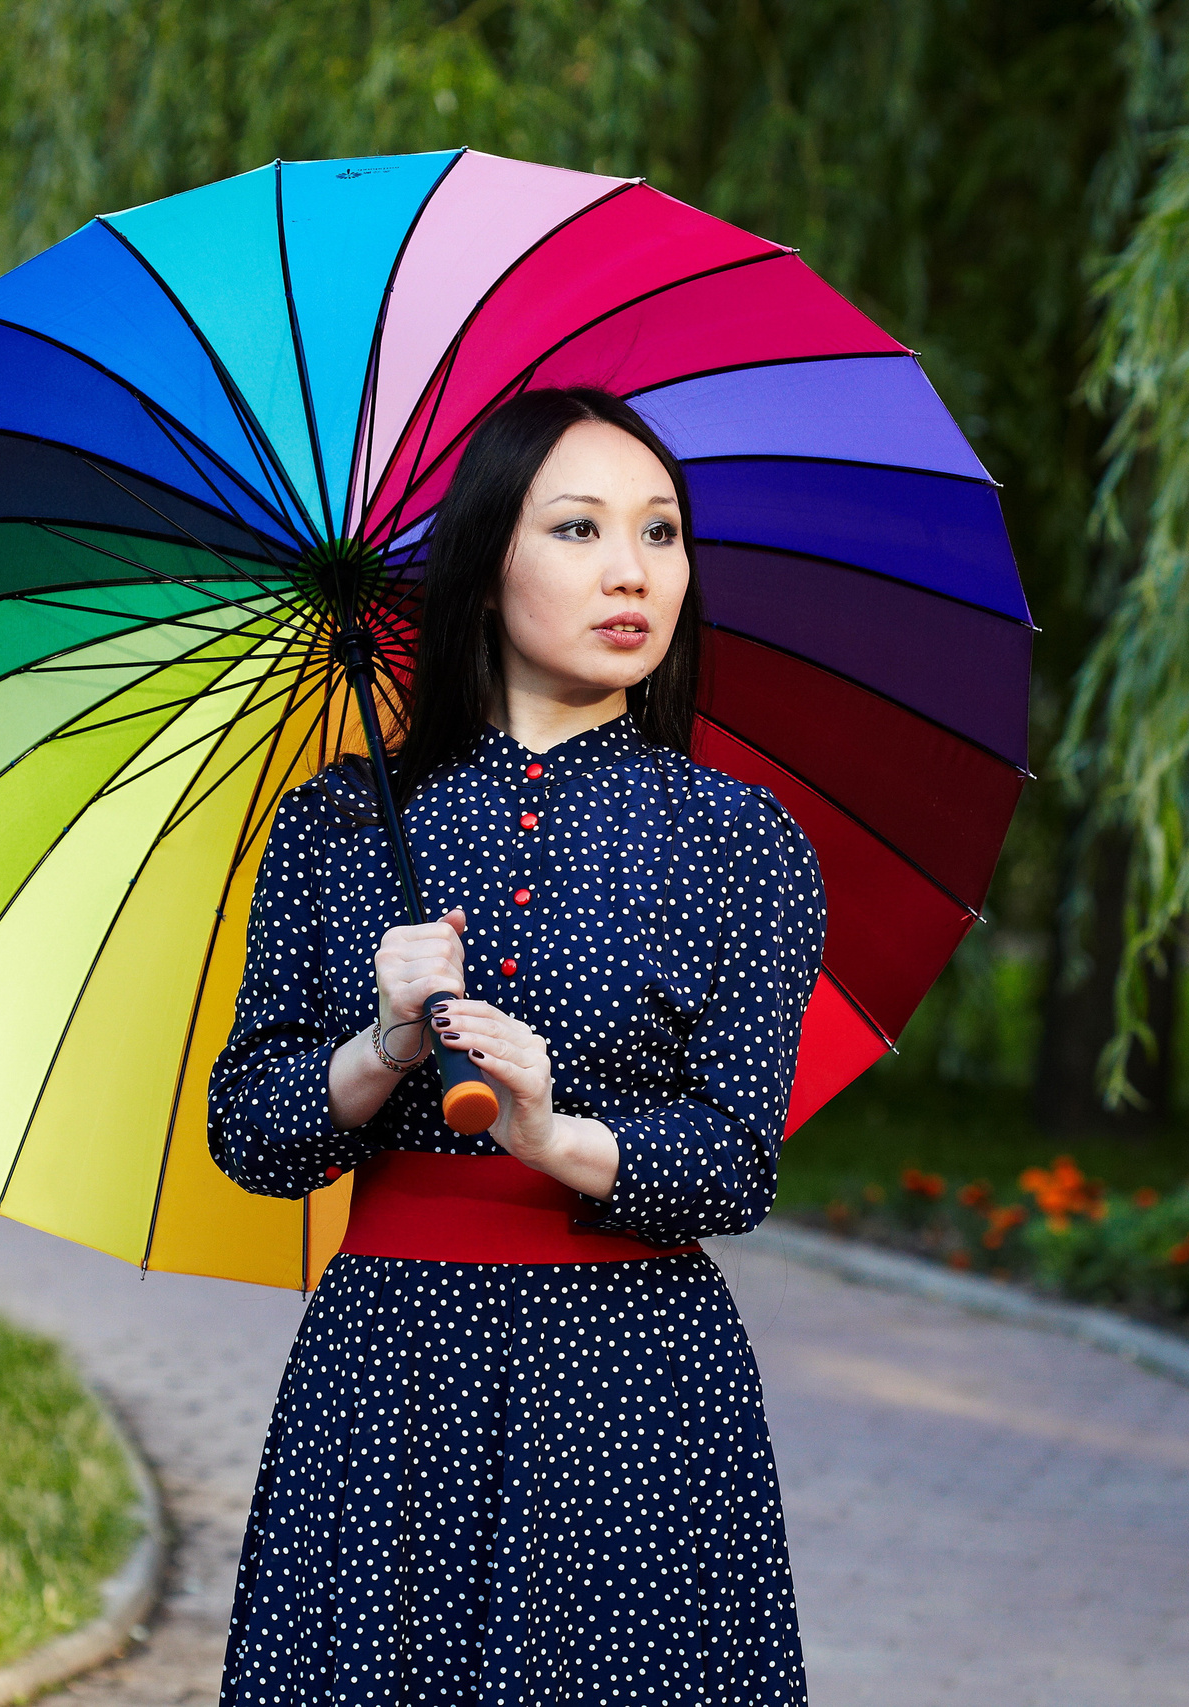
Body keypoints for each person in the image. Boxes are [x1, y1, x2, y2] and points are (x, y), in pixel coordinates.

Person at [206, 386, 826, 1706]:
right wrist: (375, 1047)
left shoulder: (743, 845)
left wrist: (552, 1135)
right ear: (485, 570)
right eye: (580, 528)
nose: (632, 572)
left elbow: (735, 1167)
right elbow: (249, 1132)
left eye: (662, 535)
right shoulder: (342, 826)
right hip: (390, 1375)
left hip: (634, 1384)